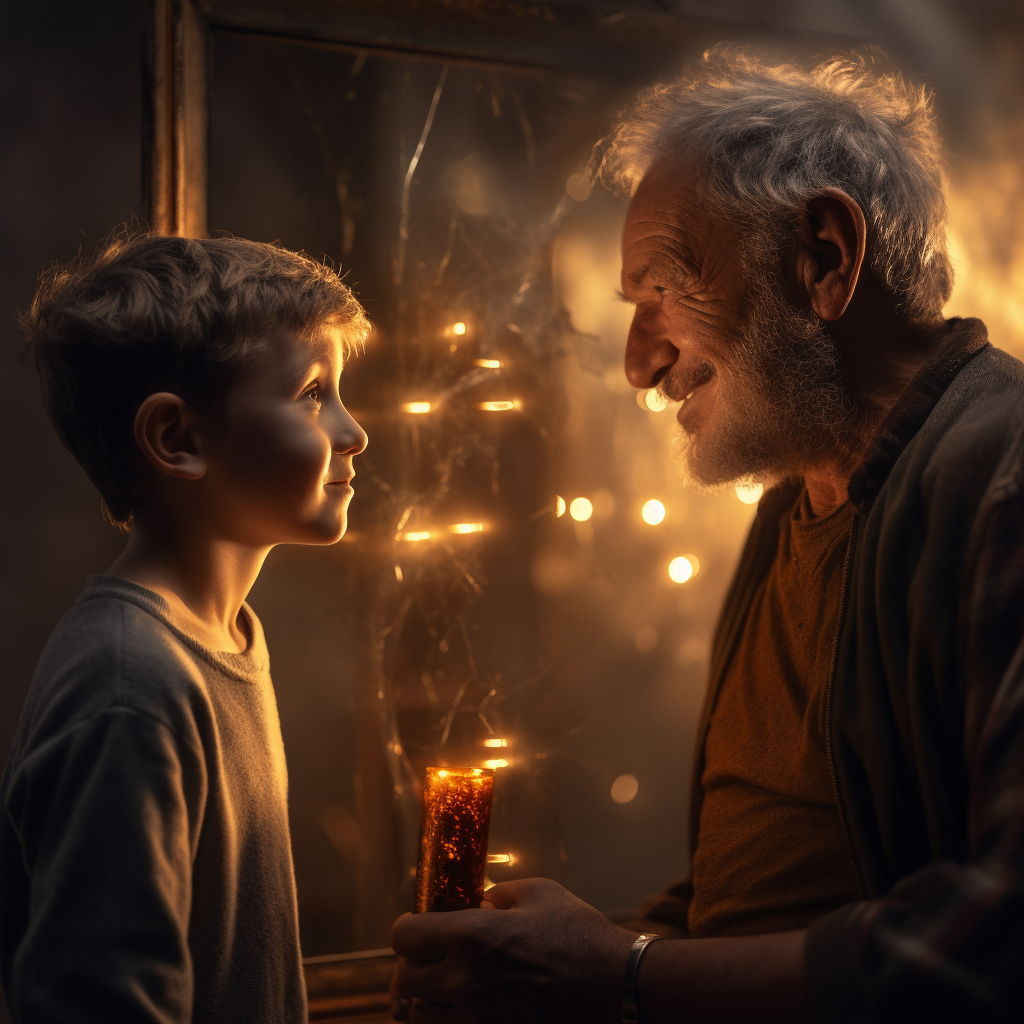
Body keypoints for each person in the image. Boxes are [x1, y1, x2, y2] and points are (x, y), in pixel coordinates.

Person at [388, 49, 1024, 1023]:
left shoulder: (1004, 481)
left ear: (824, 257)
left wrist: (623, 972)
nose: (640, 364)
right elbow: (756, 894)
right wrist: (557, 961)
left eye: (658, 292)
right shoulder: (792, 510)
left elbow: (1001, 936)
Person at [0, 232, 369, 1022]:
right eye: (311, 393)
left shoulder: (224, 639)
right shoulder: (131, 686)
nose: (352, 431)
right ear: (179, 439)